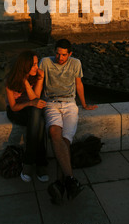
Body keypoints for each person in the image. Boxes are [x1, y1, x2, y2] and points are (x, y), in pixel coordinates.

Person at [39, 38, 97, 204]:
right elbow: (39, 83)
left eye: (64, 55)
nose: (60, 57)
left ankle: (61, 184)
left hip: (70, 104)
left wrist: (84, 104)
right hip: (51, 103)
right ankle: (70, 179)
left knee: (65, 141)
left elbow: (79, 84)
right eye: (57, 53)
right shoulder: (45, 62)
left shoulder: (76, 63)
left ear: (70, 54)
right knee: (54, 133)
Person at [5, 50, 48, 183]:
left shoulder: (36, 76)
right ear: (25, 66)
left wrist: (39, 80)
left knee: (37, 116)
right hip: (16, 112)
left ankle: (28, 163)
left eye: (37, 63)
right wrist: (24, 83)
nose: (37, 67)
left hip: (31, 111)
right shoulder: (11, 80)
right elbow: (13, 107)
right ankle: (41, 164)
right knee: (39, 120)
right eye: (34, 65)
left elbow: (35, 98)